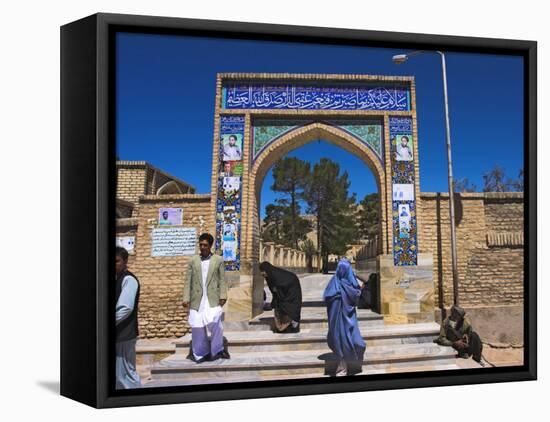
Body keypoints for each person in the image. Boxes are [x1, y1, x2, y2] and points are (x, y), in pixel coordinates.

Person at [183, 233, 229, 362]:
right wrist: (186, 298)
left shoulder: (218, 260)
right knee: (197, 326)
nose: (202, 247)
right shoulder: (193, 261)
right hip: (197, 299)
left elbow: (222, 280)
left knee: (216, 323)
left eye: (205, 245)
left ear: (210, 246)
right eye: (201, 245)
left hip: (212, 298)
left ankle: (217, 350)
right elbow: (188, 281)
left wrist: (223, 295)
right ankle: (200, 353)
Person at [323, 259, 366, 376]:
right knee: (346, 342)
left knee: (356, 343)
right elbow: (356, 295)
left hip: (346, 320)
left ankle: (351, 365)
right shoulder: (349, 283)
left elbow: (328, 296)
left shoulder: (334, 283)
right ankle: (345, 367)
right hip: (342, 321)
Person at [115, 246, 141, 389]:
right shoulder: (118, 279)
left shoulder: (128, 280)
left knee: (126, 376)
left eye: (117, 261)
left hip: (125, 336)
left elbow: (125, 308)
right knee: (119, 377)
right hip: (119, 336)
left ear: (125, 261)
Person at [259, 261, 302, 333]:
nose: (262, 273)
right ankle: (283, 327)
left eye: (263, 271)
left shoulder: (277, 275)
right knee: (278, 305)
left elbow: (280, 286)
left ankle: (293, 323)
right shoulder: (269, 276)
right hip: (284, 292)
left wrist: (277, 291)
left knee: (289, 307)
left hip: (292, 288)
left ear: (267, 270)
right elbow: (274, 291)